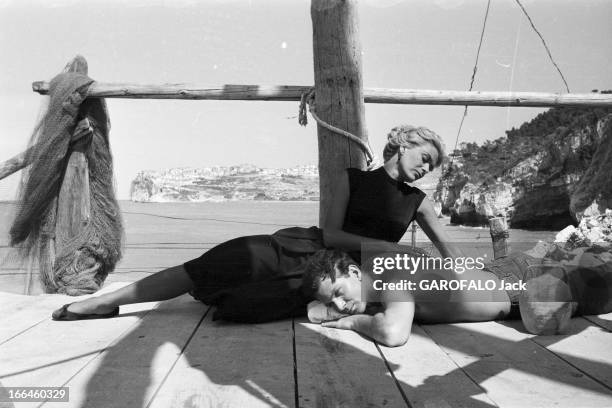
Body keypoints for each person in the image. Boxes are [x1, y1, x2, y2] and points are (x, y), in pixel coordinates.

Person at [52, 125, 481, 323]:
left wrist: (464, 274)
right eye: (425, 157)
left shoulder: (419, 203)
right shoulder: (350, 178)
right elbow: (330, 233)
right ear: (403, 143)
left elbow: (448, 249)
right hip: (306, 247)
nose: (427, 168)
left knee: (244, 308)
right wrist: (388, 248)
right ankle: (109, 301)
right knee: (219, 262)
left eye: (433, 165)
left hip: (351, 276)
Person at [301, 248, 612, 347]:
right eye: (333, 304)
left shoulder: (389, 279)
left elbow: (392, 333)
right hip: (503, 275)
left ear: (355, 273)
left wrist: (353, 321)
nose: (339, 307)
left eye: (339, 294)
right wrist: (330, 307)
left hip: (527, 286)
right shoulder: (379, 268)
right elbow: (315, 310)